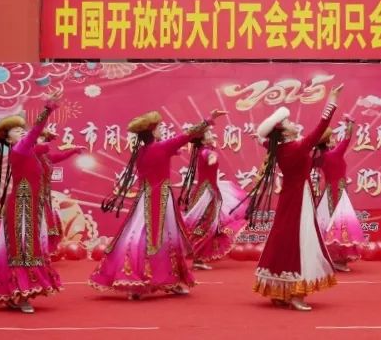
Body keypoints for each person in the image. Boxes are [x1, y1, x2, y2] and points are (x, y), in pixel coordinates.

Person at [89, 108, 226, 300]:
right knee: (166, 240)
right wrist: (208, 120)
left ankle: (138, 283)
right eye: (160, 127)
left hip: (143, 201)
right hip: (161, 200)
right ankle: (164, 281)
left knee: (137, 237)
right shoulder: (162, 147)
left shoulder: (142, 151)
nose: (162, 130)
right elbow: (188, 135)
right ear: (153, 132)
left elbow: (160, 158)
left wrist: (172, 152)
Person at [247, 84, 343, 311]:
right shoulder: (297, 148)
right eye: (288, 123)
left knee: (285, 239)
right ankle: (294, 293)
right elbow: (322, 126)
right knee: (300, 242)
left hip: (290, 199)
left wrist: (259, 138)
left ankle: (280, 290)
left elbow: (266, 142)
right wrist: (332, 100)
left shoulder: (280, 149)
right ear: (285, 132)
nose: (292, 123)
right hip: (300, 200)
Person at [0, 92, 64, 313]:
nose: (20, 130)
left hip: (31, 206)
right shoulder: (20, 149)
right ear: (8, 139)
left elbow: (42, 146)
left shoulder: (30, 152)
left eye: (21, 128)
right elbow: (34, 135)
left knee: (29, 249)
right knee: (23, 250)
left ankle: (16, 292)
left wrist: (49, 138)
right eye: (15, 130)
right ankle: (21, 294)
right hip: (21, 207)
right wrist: (47, 109)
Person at [180, 128, 247, 270]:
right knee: (205, 225)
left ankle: (197, 258)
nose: (212, 135)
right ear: (203, 139)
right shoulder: (206, 152)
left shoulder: (204, 150)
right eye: (209, 134)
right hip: (207, 194)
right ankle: (195, 256)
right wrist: (212, 158)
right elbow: (209, 157)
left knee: (207, 225)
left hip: (209, 191)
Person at [313, 115, 364, 273]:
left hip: (328, 191)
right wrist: (350, 123)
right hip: (338, 191)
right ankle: (337, 259)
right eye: (332, 138)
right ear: (328, 142)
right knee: (339, 224)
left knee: (330, 223)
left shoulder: (320, 158)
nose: (335, 139)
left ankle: (329, 257)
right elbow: (347, 138)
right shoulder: (334, 154)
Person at [36, 130, 84, 255]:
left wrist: (74, 150)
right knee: (36, 225)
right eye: (40, 138)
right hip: (33, 195)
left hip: (45, 195)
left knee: (49, 225)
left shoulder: (46, 157)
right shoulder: (30, 155)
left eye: (44, 139)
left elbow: (61, 156)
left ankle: (45, 251)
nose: (43, 141)